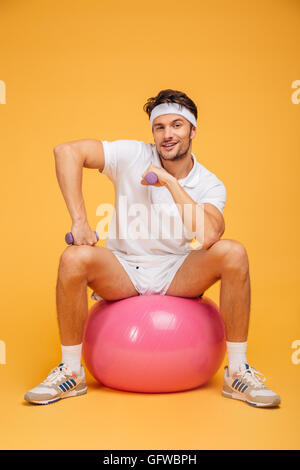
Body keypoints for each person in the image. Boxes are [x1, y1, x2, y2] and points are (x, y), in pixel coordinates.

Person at [25, 89, 280, 407]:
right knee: (73, 258)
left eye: (176, 125)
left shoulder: (209, 183)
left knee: (234, 252)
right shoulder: (131, 154)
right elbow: (65, 152)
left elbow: (211, 234)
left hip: (176, 270)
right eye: (159, 127)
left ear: (192, 130)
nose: (167, 134)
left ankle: (238, 372)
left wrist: (170, 183)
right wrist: (79, 221)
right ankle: (71, 372)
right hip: (122, 268)